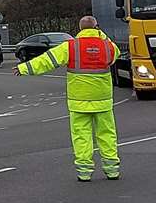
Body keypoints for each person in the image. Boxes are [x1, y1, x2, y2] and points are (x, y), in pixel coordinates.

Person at [18, 15, 121, 182]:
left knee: (81, 136)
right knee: (107, 134)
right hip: (103, 100)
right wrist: (100, 35)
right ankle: (112, 170)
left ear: (80, 29)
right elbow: (114, 54)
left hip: (78, 101)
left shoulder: (70, 47)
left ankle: (84, 172)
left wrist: (24, 68)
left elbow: (47, 60)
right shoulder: (108, 46)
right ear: (97, 28)